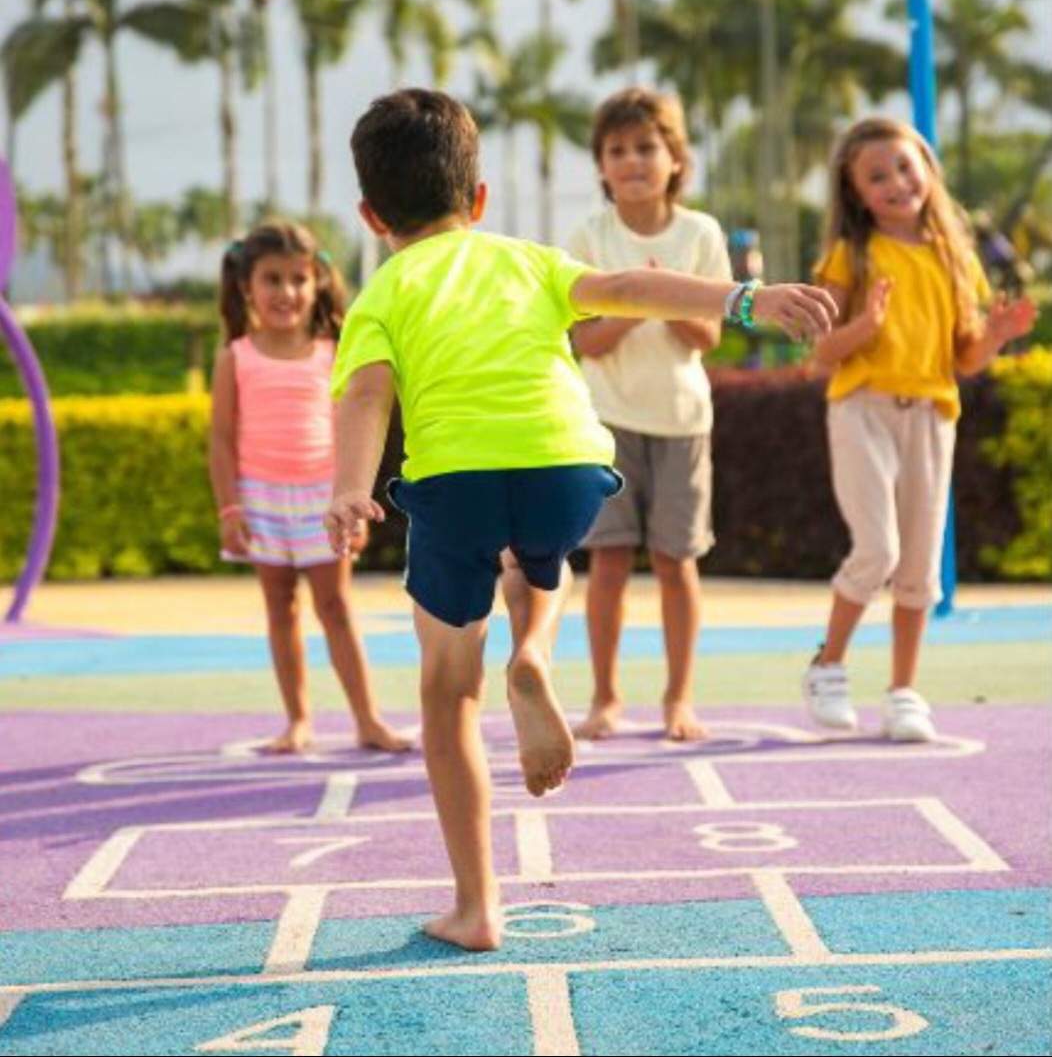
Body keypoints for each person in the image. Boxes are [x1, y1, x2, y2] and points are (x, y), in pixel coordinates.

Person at [325, 89, 837, 951]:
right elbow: (632, 288)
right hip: (567, 462)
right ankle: (533, 652)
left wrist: (348, 487)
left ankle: (476, 907)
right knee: (544, 558)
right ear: (479, 200)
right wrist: (746, 300)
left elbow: (369, 396)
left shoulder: (381, 295)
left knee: (448, 691)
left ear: (372, 215)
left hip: (455, 477)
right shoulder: (527, 258)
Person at [804, 117, 1037, 742]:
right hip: (862, 409)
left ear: (929, 172)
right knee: (876, 548)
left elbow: (965, 358)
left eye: (906, 168)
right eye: (877, 176)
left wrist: (996, 336)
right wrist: (865, 329)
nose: (896, 183)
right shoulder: (849, 255)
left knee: (919, 565)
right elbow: (821, 352)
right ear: (856, 193)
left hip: (932, 416)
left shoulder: (956, 260)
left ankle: (904, 690)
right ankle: (829, 665)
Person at [209, 220, 410, 757]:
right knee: (280, 607)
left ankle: (368, 720)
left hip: (324, 499)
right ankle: (298, 721)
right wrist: (231, 507)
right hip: (262, 501)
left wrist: (354, 502)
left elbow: (356, 428)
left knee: (336, 607)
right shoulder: (236, 357)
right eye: (272, 280)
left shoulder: (333, 351)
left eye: (298, 279)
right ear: (247, 286)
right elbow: (222, 440)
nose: (286, 293)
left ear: (317, 282)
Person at [568, 87, 731, 743]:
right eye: (617, 150)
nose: (632, 160)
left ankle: (678, 699)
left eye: (646, 147)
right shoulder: (589, 236)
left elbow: (709, 336)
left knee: (675, 561)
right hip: (604, 421)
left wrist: (668, 299)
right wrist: (633, 298)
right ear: (601, 166)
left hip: (683, 420)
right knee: (607, 562)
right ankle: (606, 697)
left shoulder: (701, 234)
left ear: (674, 158)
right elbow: (583, 339)